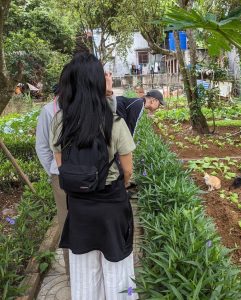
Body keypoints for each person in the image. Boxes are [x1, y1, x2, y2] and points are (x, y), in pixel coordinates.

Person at [49, 52, 137, 300]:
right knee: (118, 268)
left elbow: (61, 165)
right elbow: (128, 169)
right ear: (97, 82)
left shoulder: (59, 122)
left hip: (79, 207)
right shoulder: (115, 122)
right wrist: (122, 184)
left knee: (85, 273)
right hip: (112, 205)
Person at [35, 70, 117, 276]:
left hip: (92, 176)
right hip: (63, 180)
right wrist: (56, 172)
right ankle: (75, 275)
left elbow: (111, 121)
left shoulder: (87, 106)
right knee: (68, 226)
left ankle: (95, 274)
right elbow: (43, 147)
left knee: (93, 224)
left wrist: (109, 92)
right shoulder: (49, 111)